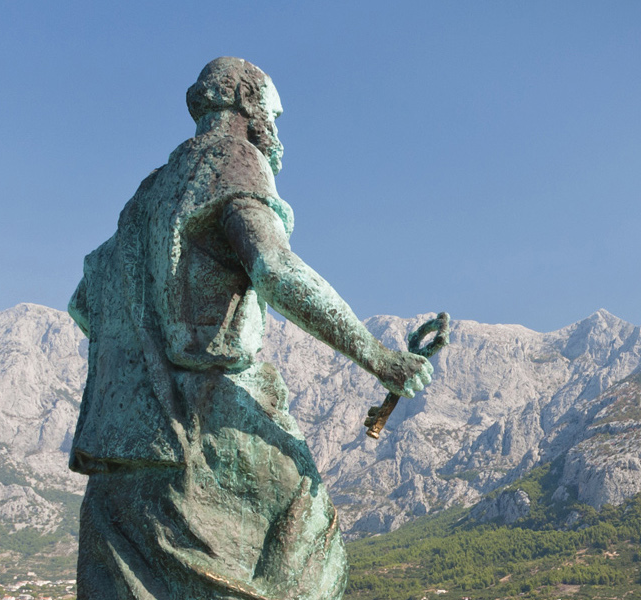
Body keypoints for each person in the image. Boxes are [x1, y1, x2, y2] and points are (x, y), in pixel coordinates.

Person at [66, 56, 431, 600]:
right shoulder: (232, 159)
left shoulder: (145, 195)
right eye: (275, 114)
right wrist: (379, 357)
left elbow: (82, 305)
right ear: (245, 105)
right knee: (310, 544)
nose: (277, 130)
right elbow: (273, 267)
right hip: (205, 419)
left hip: (120, 446)